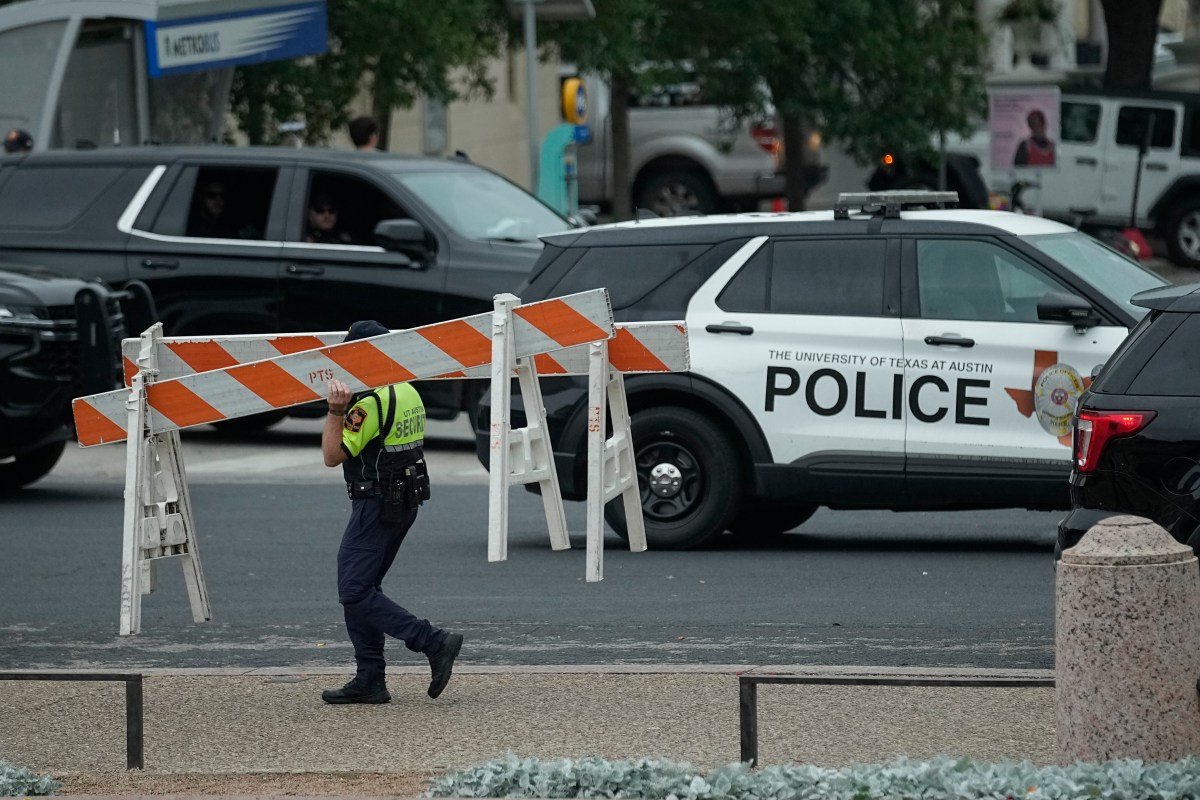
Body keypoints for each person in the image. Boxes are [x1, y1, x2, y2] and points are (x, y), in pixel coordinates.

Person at [321, 320, 463, 705]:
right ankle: (370, 680)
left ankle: (432, 642)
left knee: (354, 590)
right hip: (404, 502)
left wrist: (336, 412)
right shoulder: (408, 391)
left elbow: (332, 457)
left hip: (375, 503)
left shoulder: (368, 405)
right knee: (364, 588)